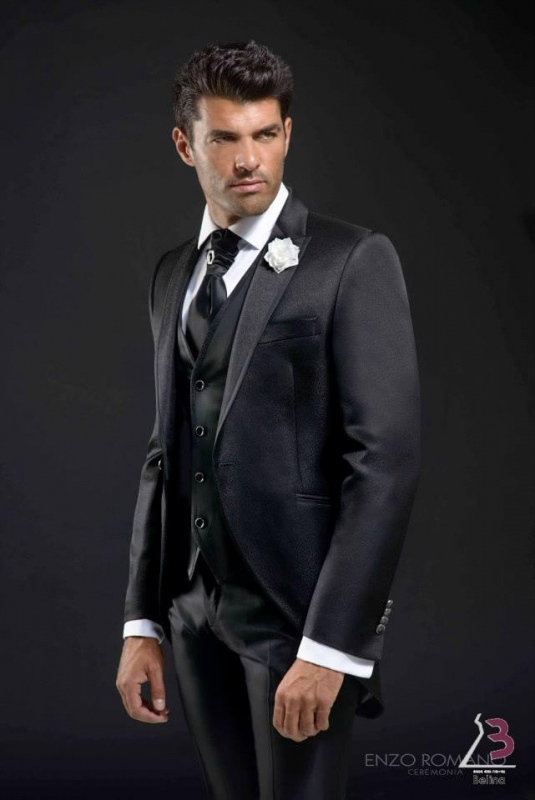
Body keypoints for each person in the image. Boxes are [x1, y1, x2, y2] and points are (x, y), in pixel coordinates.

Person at [115, 39, 421, 800]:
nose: (248, 159)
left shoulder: (351, 260)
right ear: (185, 144)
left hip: (295, 620)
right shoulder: (172, 275)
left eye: (265, 134)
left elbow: (383, 463)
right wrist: (142, 623)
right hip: (192, 612)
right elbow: (164, 452)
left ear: (286, 133)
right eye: (225, 137)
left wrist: (331, 648)